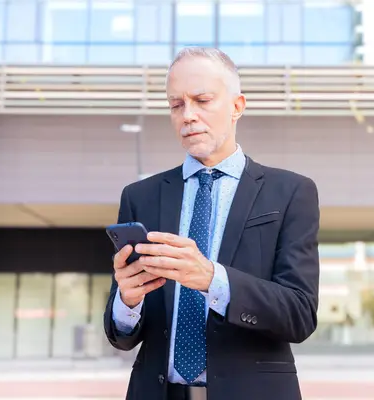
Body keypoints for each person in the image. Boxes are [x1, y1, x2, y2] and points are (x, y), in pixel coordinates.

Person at [104, 47, 320, 400]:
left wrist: (211, 279)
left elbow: (299, 314)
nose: (187, 115)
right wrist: (127, 301)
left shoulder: (291, 192)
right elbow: (123, 335)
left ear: (237, 106)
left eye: (202, 100)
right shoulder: (139, 196)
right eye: (176, 104)